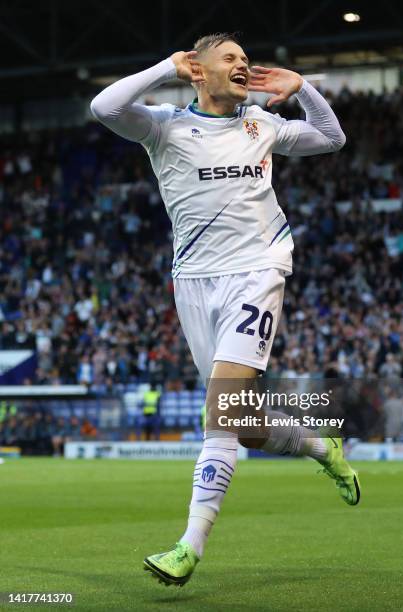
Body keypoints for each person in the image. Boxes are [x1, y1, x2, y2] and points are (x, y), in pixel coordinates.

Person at [91, 32, 360, 587]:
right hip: (193, 283)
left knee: (219, 413)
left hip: (257, 273)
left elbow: (332, 139)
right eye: (230, 59)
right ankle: (319, 444)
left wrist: (304, 87)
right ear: (200, 71)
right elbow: (104, 106)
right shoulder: (164, 127)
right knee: (243, 424)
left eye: (245, 57)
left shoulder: (262, 124)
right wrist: (165, 65)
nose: (244, 65)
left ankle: (188, 547)